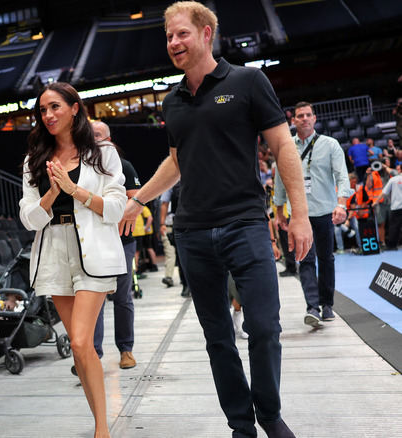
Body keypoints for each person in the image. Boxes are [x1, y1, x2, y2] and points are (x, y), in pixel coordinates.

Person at [120, 3, 312, 436]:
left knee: (264, 326)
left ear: (207, 34)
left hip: (245, 225)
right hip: (191, 234)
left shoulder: (247, 81)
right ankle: (241, 425)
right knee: (218, 339)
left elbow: (283, 146)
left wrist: (298, 215)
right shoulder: (171, 101)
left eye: (182, 34)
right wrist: (140, 200)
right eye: (169, 36)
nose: (173, 43)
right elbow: (176, 162)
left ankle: (269, 414)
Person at [20, 82, 127, 438]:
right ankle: (100, 423)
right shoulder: (34, 159)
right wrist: (52, 192)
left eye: (54, 107)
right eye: (42, 110)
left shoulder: (103, 152)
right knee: (80, 351)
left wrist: (74, 190)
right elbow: (30, 219)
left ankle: (101, 430)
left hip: (93, 248)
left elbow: (115, 208)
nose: (48, 115)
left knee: (81, 342)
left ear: (74, 108)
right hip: (53, 250)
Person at [274, 101, 350, 327]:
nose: (305, 118)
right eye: (300, 115)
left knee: (326, 259)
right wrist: (279, 212)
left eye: (308, 115)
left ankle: (327, 305)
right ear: (293, 120)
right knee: (305, 260)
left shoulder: (330, 145)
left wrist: (342, 204)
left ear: (314, 119)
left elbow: (342, 176)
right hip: (299, 215)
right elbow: (279, 182)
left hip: (325, 212)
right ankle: (312, 307)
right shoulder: (286, 148)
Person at [90, 120, 139, 371]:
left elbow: (134, 201)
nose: (93, 138)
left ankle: (126, 349)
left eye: (98, 134)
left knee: (122, 297)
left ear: (109, 140)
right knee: (93, 299)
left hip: (121, 241)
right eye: (90, 134)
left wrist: (111, 211)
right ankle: (93, 356)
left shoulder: (124, 166)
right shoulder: (83, 168)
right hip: (93, 242)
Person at [381, 171, 402, 250]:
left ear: (400, 170)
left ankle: (392, 246)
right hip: (396, 206)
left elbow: (384, 192)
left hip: (396, 207)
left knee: (394, 227)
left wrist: (376, 202)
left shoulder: (393, 179)